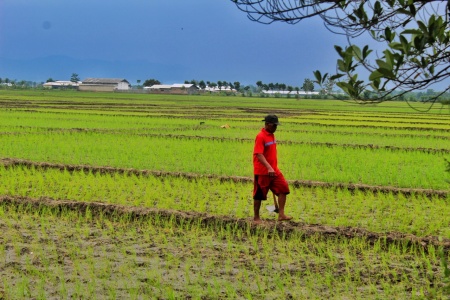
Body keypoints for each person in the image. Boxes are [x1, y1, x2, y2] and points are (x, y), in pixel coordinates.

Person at [252, 114, 292, 224]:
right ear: (267, 124)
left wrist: (272, 168)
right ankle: (256, 218)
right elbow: (258, 154)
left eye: (276, 126)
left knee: (283, 188)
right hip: (263, 171)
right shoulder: (260, 136)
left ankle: (281, 214)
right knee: (259, 195)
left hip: (274, 170)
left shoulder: (271, 135)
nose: (276, 128)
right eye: (274, 125)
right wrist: (269, 168)